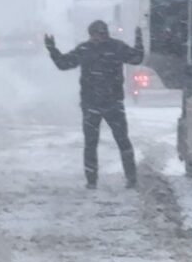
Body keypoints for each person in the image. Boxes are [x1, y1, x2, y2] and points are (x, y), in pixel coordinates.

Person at [45, 20, 144, 189]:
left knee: (119, 141)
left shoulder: (98, 49)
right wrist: (52, 50)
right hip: (97, 103)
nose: (101, 37)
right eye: (98, 34)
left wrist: (139, 42)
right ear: (91, 35)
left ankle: (130, 178)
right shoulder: (100, 48)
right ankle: (92, 180)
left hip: (107, 102)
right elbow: (63, 64)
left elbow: (136, 58)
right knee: (93, 143)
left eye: (103, 33)